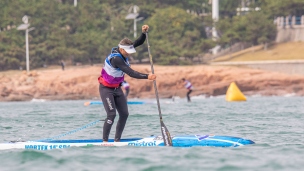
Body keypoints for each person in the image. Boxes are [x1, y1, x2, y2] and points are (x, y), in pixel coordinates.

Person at [98, 25, 156, 142]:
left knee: (124, 114)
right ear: (122, 49)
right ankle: (105, 141)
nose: (130, 53)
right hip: (106, 89)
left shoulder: (124, 50)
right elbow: (131, 73)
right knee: (112, 115)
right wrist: (147, 76)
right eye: (128, 52)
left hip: (117, 89)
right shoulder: (116, 59)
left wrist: (143, 33)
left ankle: (117, 141)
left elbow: (139, 42)